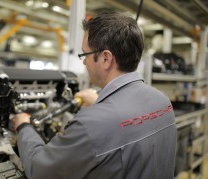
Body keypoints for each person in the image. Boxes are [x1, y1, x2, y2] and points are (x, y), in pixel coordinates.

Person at [12, 11, 177, 179]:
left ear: (106, 58)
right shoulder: (162, 102)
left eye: (85, 54)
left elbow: (39, 170)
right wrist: (99, 103)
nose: (84, 62)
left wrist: (24, 127)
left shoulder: (90, 124)